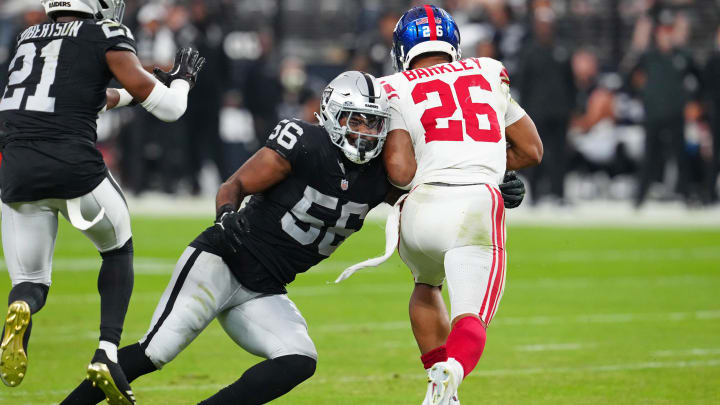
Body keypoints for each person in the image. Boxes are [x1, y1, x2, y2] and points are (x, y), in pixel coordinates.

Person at [60, 70, 395, 405]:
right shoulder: (305, 143)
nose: (365, 132)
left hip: (264, 287)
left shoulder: (382, 174)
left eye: (374, 123)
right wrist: (226, 215)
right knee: (156, 351)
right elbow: (232, 186)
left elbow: (415, 199)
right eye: (357, 120)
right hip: (223, 260)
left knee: (298, 359)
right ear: (334, 115)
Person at [0, 0, 204, 403]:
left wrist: (138, 85)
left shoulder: (27, 38)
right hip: (71, 164)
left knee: (30, 281)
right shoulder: (105, 33)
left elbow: (88, 97)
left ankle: (21, 307)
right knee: (117, 248)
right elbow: (171, 110)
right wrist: (180, 82)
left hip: (16, 167)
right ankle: (107, 352)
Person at [379, 5, 542, 404]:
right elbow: (532, 149)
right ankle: (452, 371)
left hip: (417, 211)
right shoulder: (487, 70)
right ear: (453, 43)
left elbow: (399, 172)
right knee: (471, 313)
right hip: (472, 205)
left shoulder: (389, 86)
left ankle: (439, 385)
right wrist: (489, 169)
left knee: (426, 283)